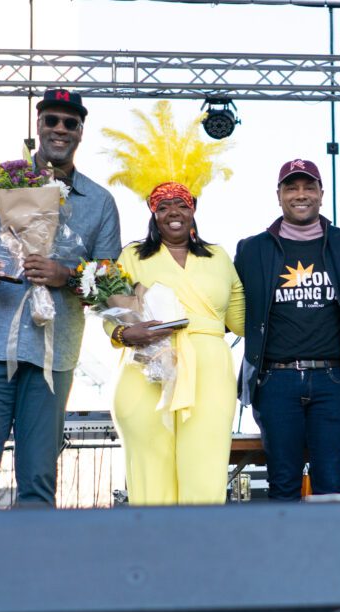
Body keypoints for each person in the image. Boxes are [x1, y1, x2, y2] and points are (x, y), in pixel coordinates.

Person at [0, 88, 121, 506]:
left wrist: (67, 274)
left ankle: (28, 569)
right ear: (37, 125)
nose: (60, 129)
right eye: (51, 120)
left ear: (80, 131)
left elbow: (109, 283)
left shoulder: (100, 202)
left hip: (53, 356)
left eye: (69, 123)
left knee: (39, 482)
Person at [100, 101, 243, 505]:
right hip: (147, 371)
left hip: (210, 371)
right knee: (150, 475)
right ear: (153, 214)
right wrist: (125, 332)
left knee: (204, 473)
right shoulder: (132, 256)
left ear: (193, 209)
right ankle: (151, 560)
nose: (173, 212)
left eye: (181, 203)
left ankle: (199, 562)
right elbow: (109, 311)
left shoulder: (219, 256)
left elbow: (241, 320)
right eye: (163, 206)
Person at [233, 160, 340, 501]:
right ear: (278, 195)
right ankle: (287, 557)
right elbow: (230, 306)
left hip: (332, 379)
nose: (301, 194)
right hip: (276, 380)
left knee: (331, 485)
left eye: (309, 187)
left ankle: (328, 557)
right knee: (283, 484)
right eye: (291, 187)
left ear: (322, 194)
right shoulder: (252, 249)